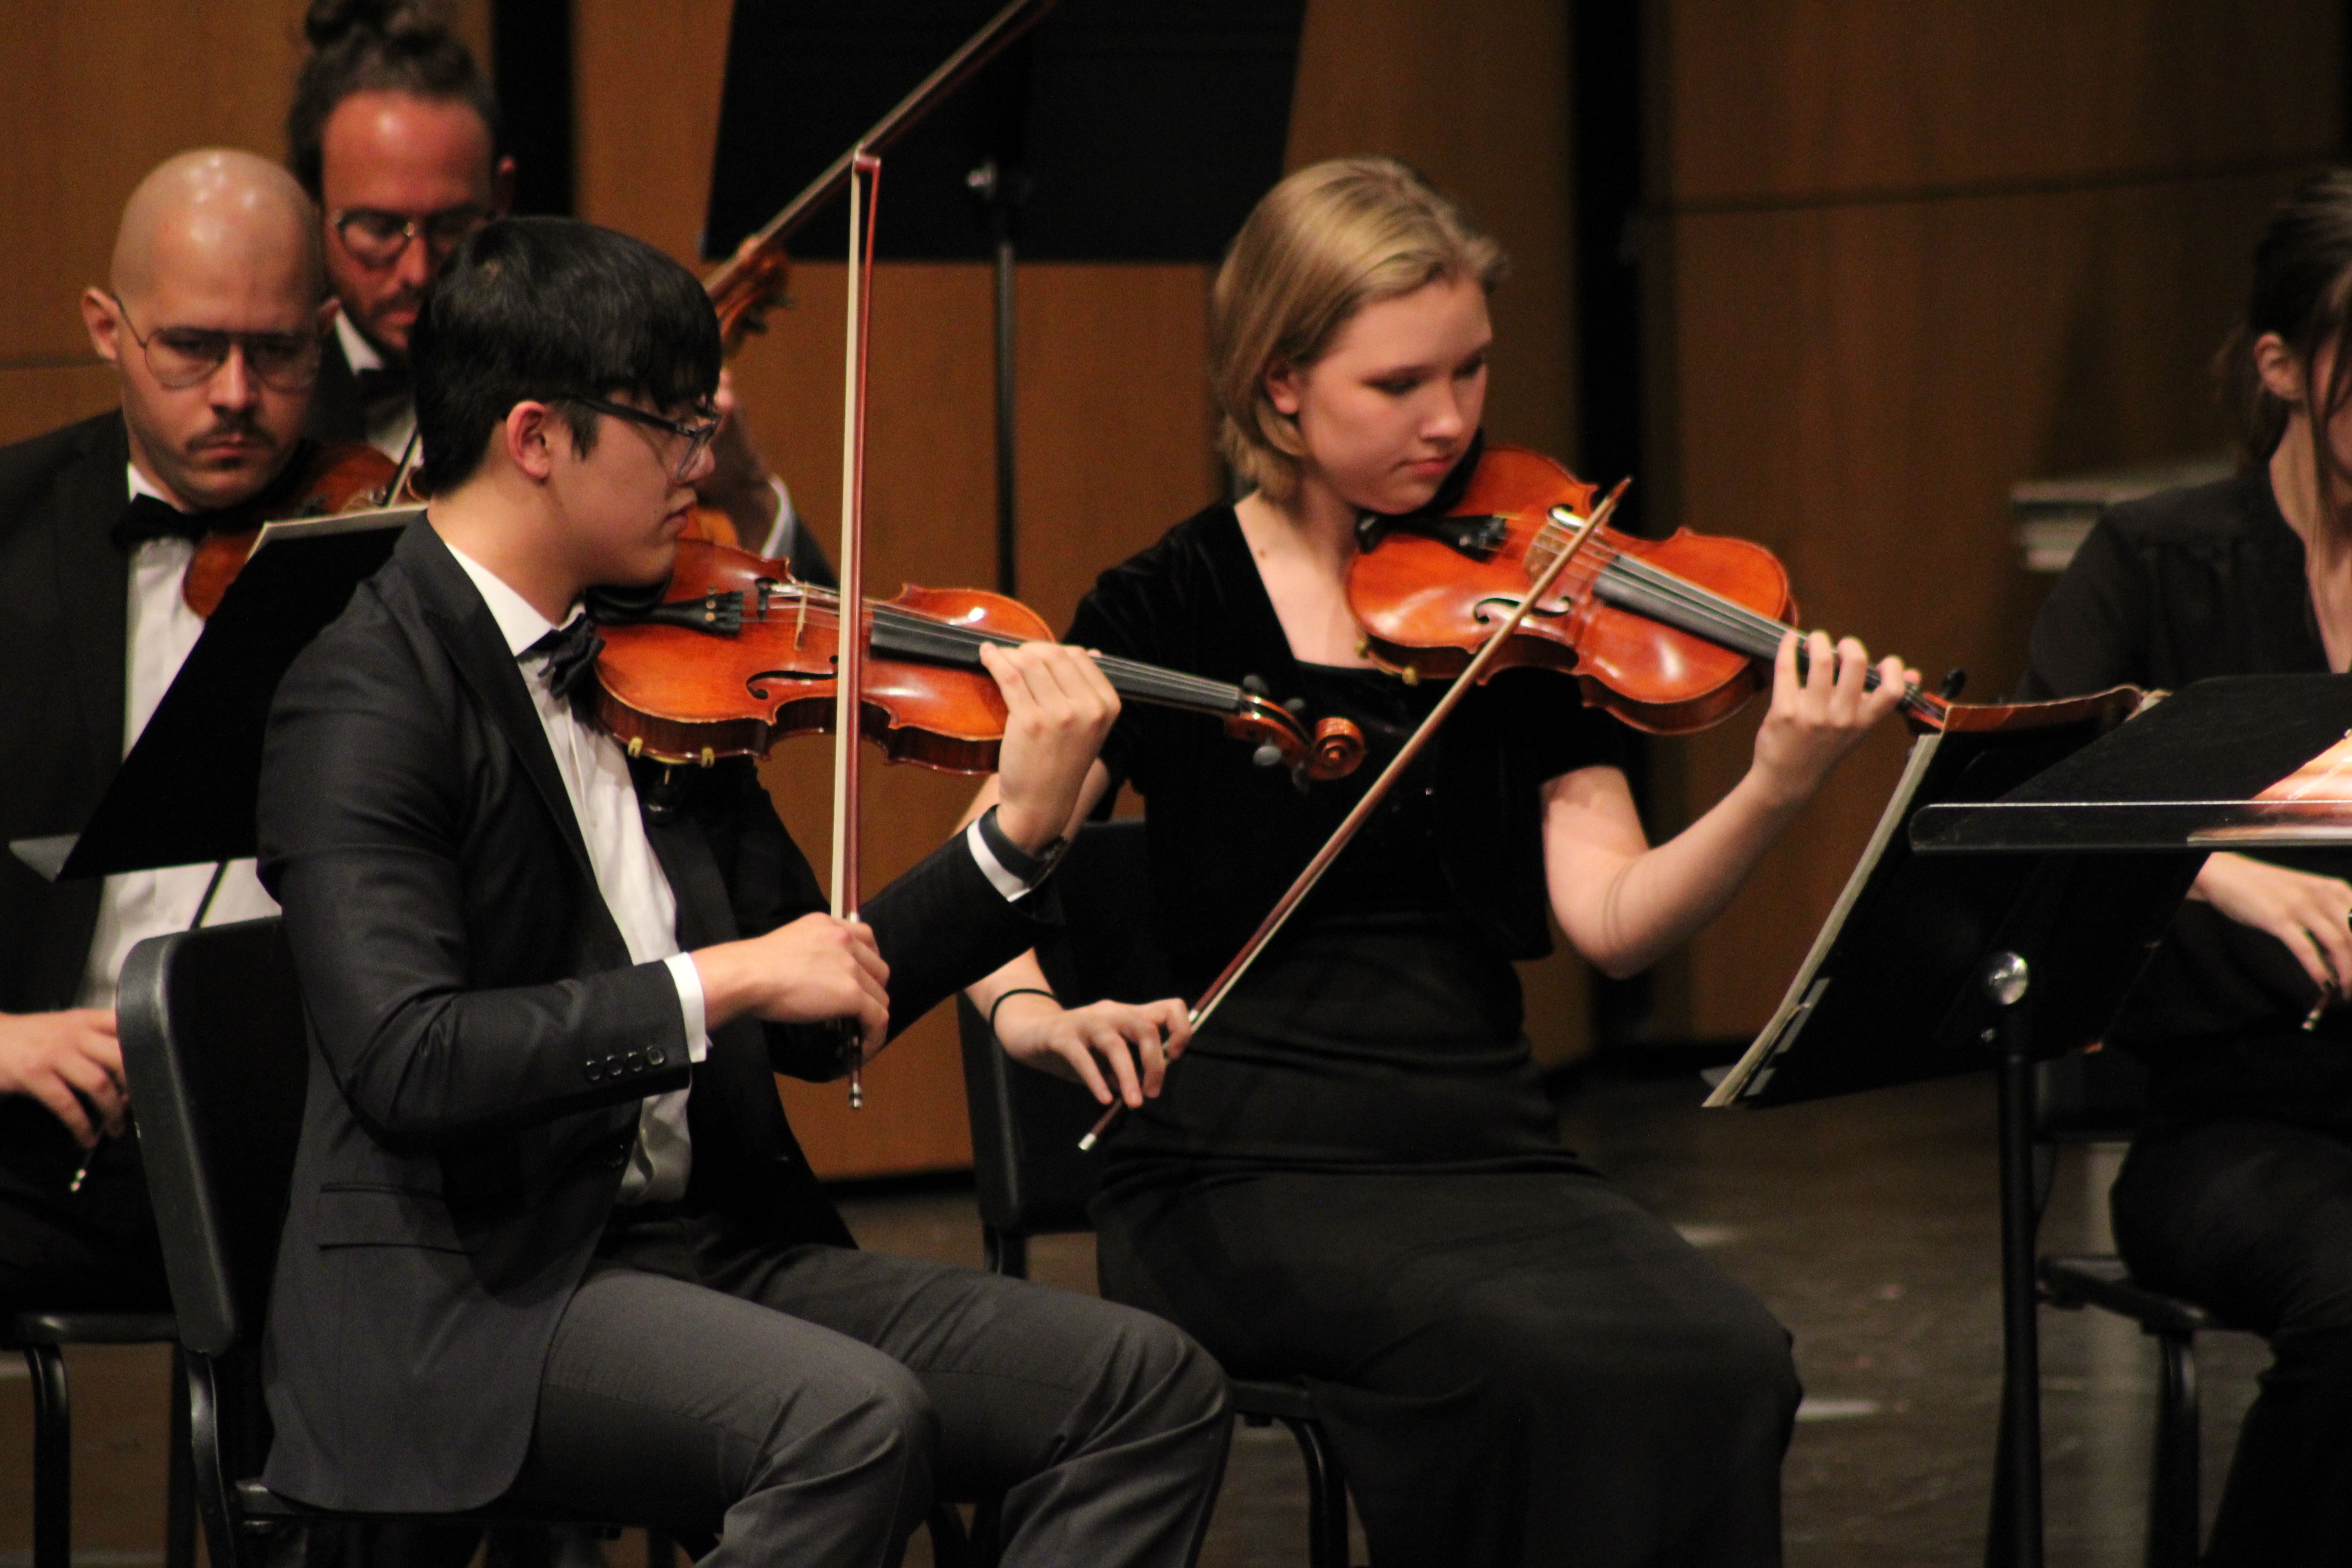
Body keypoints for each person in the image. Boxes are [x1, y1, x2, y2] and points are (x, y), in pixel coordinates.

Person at [958, 158, 1916, 1566]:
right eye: (1399, 385)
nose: (1453, 419)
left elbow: (1616, 922)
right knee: (1553, 1376)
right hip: (1240, 1172)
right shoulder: (1166, 607)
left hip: (1482, 1150)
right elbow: (978, 883)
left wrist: (1778, 783)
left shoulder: (1520, 607)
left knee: (1728, 1360)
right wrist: (1037, 1019)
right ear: (1281, 386)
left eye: (1471, 371)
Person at [253, 215, 1228, 1567]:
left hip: (707, 1252)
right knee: (850, 1424)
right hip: (480, 1297)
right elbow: (412, 1059)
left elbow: (824, 1011)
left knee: (1145, 1390)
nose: (702, 473)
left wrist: (1011, 838)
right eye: (670, 432)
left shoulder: (653, 652)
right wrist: (725, 981)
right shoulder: (365, 689)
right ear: (537, 437)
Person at [2017, 168, 2352, 1568]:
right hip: (2231, 1131)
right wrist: (2210, 863)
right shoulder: (2163, 559)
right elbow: (2025, 793)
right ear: (2282, 366)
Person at [0, 149, 332, 1313]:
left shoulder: (390, 539)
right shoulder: (9, 531)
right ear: (108, 326)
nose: (237, 394)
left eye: (278, 351)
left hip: (329, 1138)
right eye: (192, 349)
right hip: (52, 1136)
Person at [285, 0, 828, 579]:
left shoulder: (583, 371)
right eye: (376, 228)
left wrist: (746, 493)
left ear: (502, 194)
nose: (418, 271)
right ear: (312, 205)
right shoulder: (270, 399)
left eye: (452, 227)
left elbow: (805, 635)